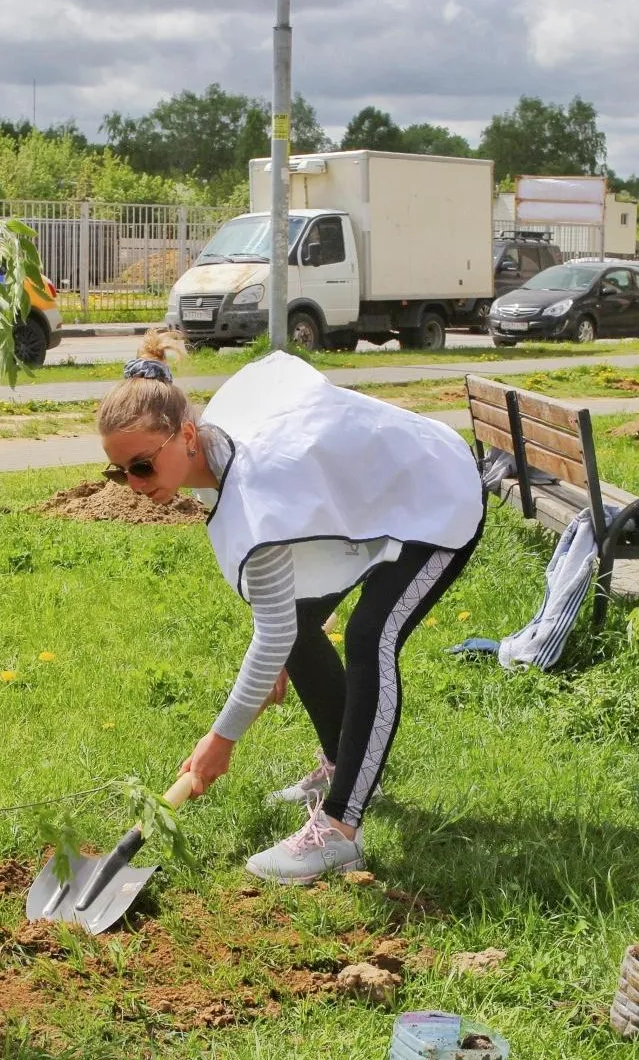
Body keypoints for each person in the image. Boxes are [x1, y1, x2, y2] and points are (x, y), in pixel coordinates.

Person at [97, 333, 484, 884]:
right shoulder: (209, 453)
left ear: (185, 435)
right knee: (296, 632)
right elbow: (281, 612)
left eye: (141, 467)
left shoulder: (253, 482)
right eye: (119, 472)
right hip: (373, 496)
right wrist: (281, 647)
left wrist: (220, 741)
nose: (133, 486)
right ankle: (339, 762)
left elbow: (271, 621)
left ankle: (341, 832)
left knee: (369, 638)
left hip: (433, 494)